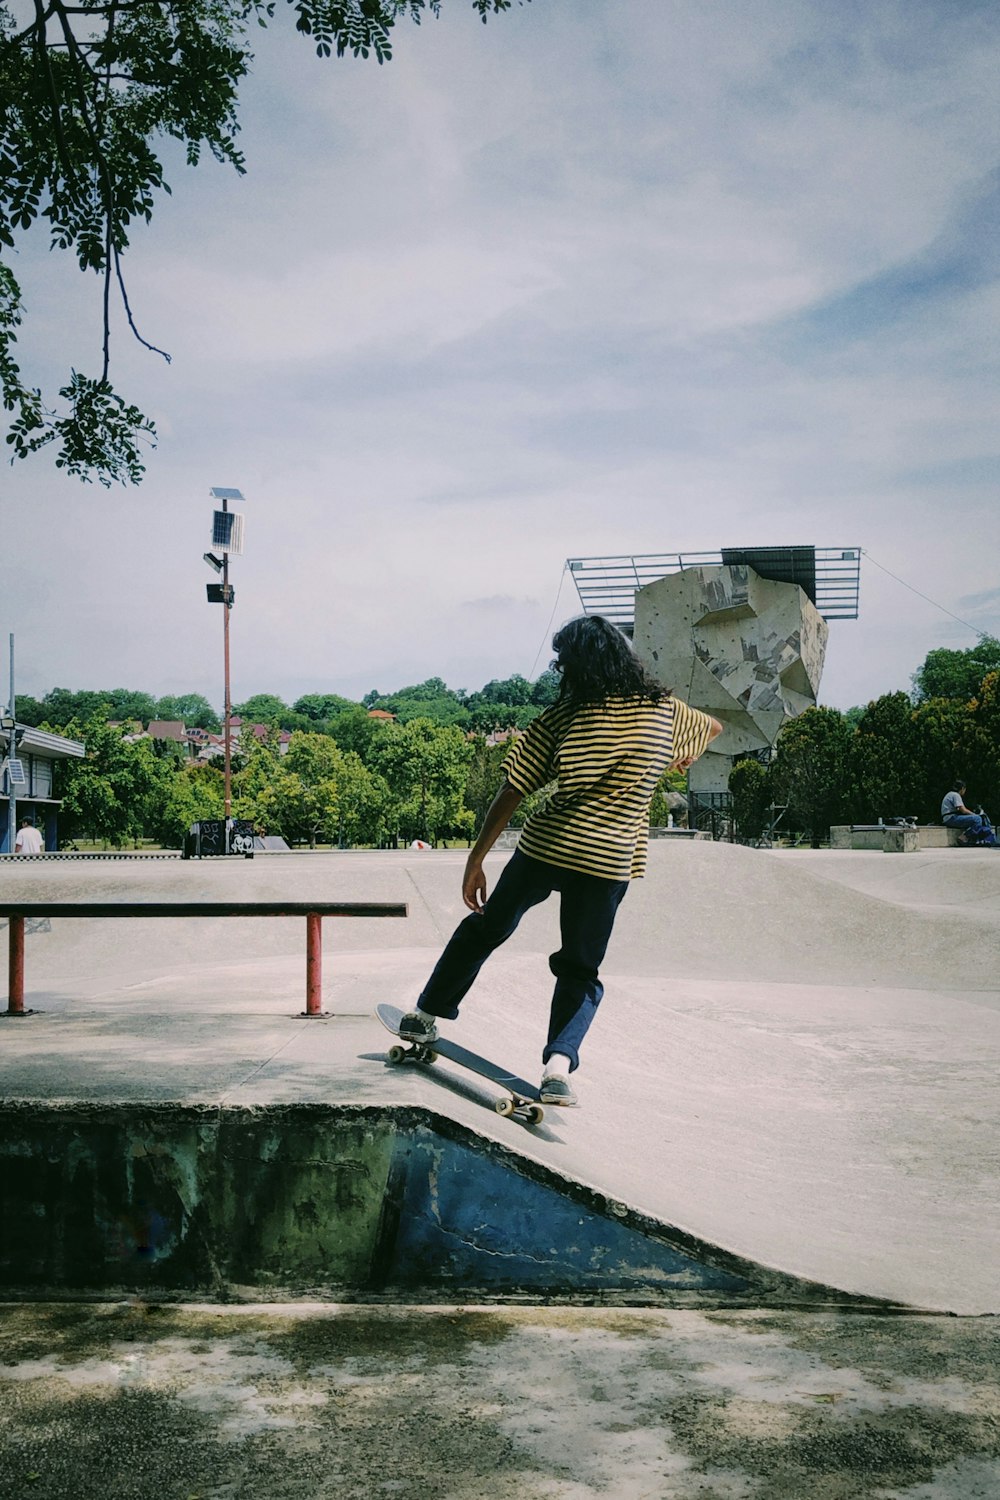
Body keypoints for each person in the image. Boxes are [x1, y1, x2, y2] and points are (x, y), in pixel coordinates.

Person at [398, 615, 722, 1106]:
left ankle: (425, 1015)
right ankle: (557, 1068)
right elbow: (714, 725)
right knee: (580, 968)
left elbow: (513, 789)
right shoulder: (666, 712)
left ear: (577, 665)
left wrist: (476, 859)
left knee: (486, 928)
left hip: (548, 846)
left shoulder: (565, 716)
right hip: (610, 861)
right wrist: (681, 755)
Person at [941, 782, 993, 846]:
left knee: (975, 820)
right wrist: (974, 815)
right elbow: (963, 810)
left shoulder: (950, 794)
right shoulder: (955, 795)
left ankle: (972, 840)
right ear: (962, 788)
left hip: (948, 818)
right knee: (977, 819)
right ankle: (964, 837)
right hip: (951, 818)